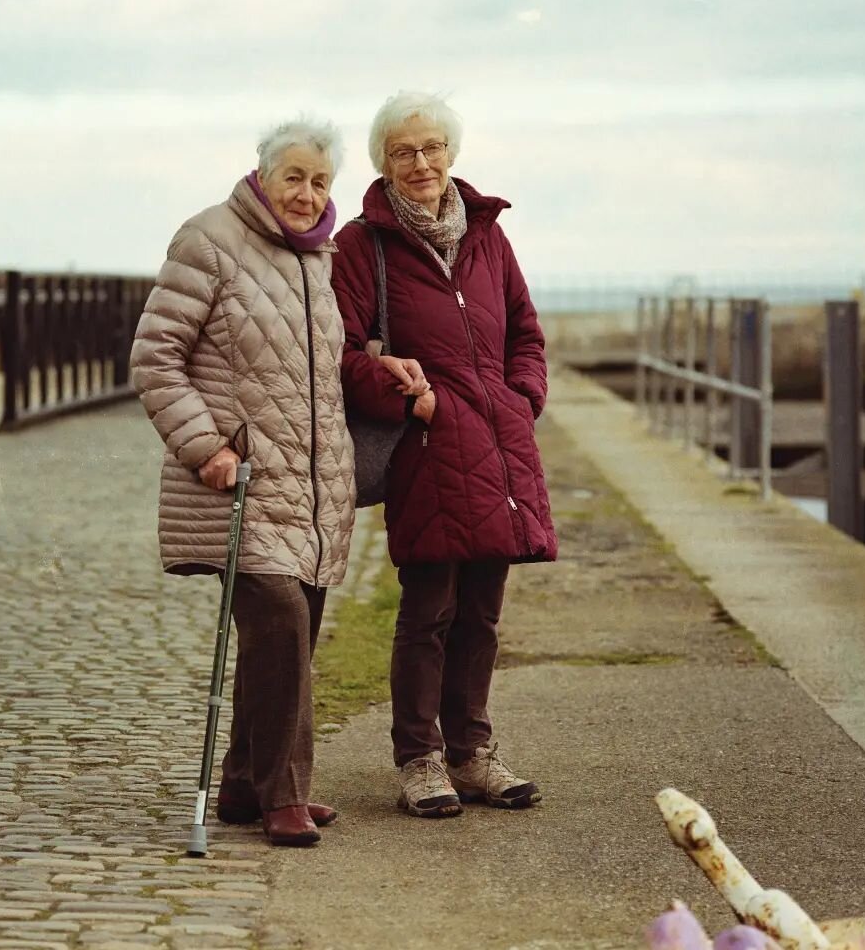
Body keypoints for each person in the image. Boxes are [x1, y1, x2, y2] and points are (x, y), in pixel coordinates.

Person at [331, 92, 557, 819]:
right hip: (426, 445)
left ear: (451, 153)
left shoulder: (489, 235)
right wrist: (410, 400)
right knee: (428, 608)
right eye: (404, 152)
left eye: (431, 148)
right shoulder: (364, 245)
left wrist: (521, 398)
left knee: (483, 611)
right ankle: (419, 760)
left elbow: (525, 331)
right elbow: (337, 353)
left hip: (497, 443)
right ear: (384, 163)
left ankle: (472, 755)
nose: (421, 163)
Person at [130, 119, 356, 847]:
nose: (307, 193)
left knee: (289, 637)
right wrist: (204, 447)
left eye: (320, 181)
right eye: (294, 176)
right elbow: (154, 355)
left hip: (312, 490)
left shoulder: (320, 257)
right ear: (261, 174)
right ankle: (284, 795)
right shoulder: (209, 239)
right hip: (241, 483)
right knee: (281, 624)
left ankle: (240, 782)